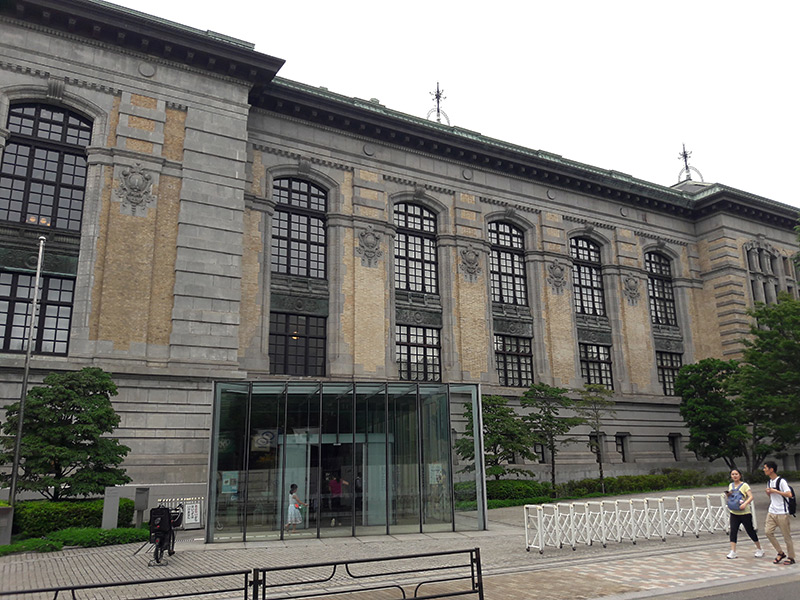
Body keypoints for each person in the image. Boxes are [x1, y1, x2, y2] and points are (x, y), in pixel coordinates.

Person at [724, 468, 764, 559]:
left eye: (736, 474)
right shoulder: (731, 485)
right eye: (733, 474)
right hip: (734, 512)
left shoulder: (745, 485)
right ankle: (733, 551)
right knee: (733, 531)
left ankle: (759, 549)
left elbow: (750, 497)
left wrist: (745, 503)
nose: (734, 476)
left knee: (750, 531)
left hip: (744, 513)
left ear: (740, 475)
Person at [763, 461, 795, 565]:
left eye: (765, 468)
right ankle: (780, 552)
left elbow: (789, 494)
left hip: (782, 512)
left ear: (771, 469)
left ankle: (791, 557)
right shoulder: (769, 482)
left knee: (786, 536)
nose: (764, 470)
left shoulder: (781, 481)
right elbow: (772, 497)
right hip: (771, 511)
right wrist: (769, 493)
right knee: (768, 532)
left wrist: (775, 491)